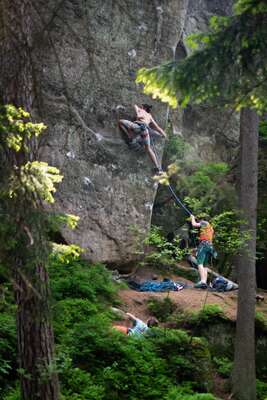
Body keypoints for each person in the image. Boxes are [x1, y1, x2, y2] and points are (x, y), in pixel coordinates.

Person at [118, 104, 166, 172]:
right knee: (148, 148)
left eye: (142, 107)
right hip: (145, 131)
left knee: (120, 122)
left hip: (137, 126)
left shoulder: (141, 110)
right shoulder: (150, 116)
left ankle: (129, 136)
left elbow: (135, 108)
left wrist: (138, 111)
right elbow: (157, 127)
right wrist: (164, 135)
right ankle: (157, 167)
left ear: (143, 108)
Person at [190, 214, 215, 289]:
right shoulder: (211, 228)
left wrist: (192, 218)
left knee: (199, 262)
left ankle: (203, 281)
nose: (200, 220)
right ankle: (204, 282)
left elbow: (194, 224)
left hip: (204, 244)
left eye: (201, 219)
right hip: (209, 246)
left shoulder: (205, 223)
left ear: (204, 219)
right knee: (205, 265)